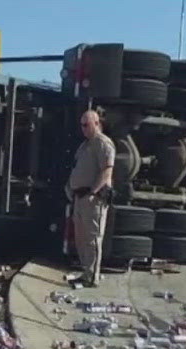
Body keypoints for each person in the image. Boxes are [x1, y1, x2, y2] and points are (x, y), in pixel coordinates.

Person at [65, 109, 115, 287]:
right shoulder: (84, 145)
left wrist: (93, 192)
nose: (83, 128)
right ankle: (86, 271)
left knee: (92, 238)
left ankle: (93, 276)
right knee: (80, 237)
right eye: (82, 125)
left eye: (87, 125)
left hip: (93, 199)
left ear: (96, 123)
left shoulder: (103, 143)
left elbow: (107, 170)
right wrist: (70, 187)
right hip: (79, 197)